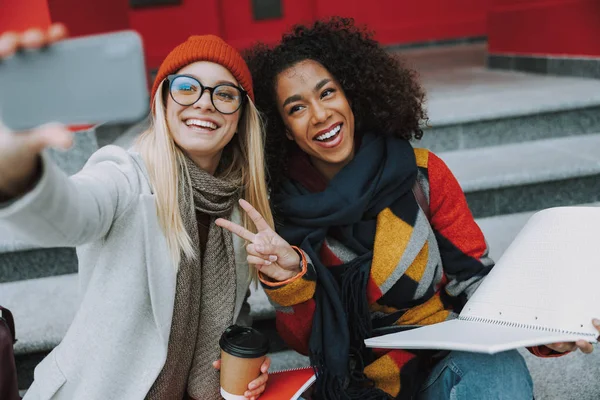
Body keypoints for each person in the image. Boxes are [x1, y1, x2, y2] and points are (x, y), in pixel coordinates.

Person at [215, 17, 600, 399]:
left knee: (499, 373)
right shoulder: (283, 211)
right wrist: (288, 282)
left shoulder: (422, 174)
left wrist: (546, 330)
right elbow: (303, 342)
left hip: (444, 358)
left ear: (351, 95)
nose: (319, 115)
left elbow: (475, 282)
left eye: (327, 93)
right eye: (297, 108)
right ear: (283, 129)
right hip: (358, 382)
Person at [0, 25, 272, 400]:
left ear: (241, 116)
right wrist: (16, 173)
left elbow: (230, 309)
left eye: (224, 94)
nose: (205, 103)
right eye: (187, 88)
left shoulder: (240, 206)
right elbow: (74, 213)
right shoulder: (126, 174)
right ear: (163, 101)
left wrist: (240, 356)